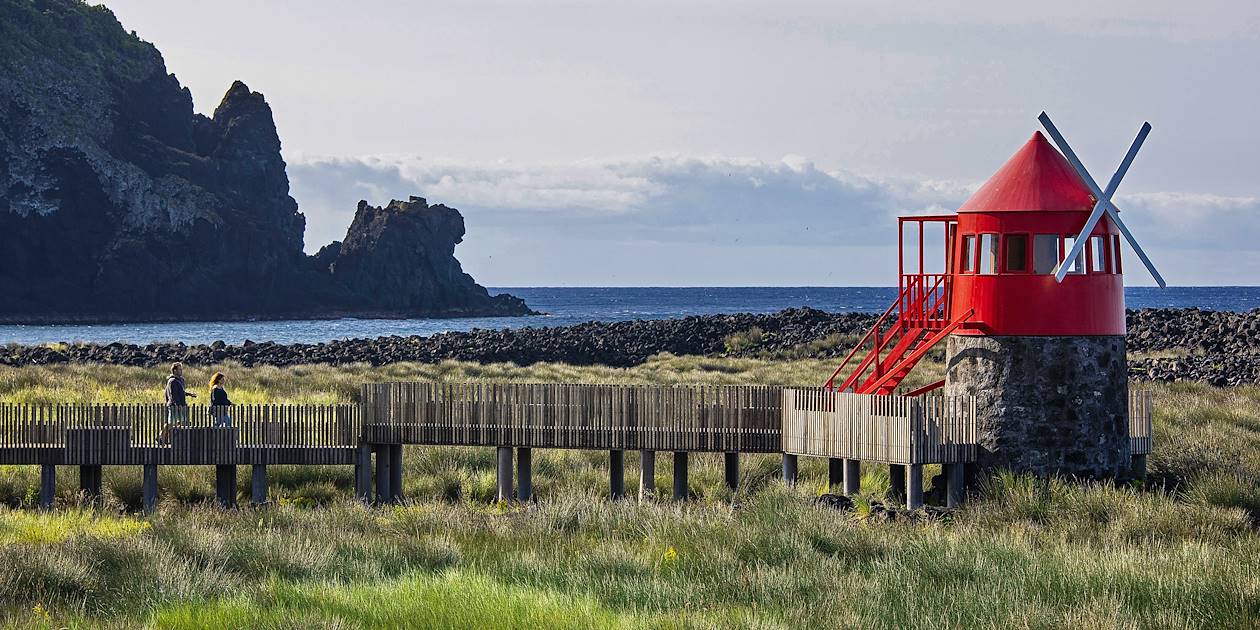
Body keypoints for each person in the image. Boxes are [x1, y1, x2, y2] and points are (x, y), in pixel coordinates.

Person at [158, 362, 196, 445]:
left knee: (182, 422)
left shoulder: (180, 380)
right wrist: (177, 405)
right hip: (174, 406)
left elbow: (181, 392)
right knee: (172, 423)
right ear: (174, 370)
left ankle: (169, 437)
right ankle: (161, 436)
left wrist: (189, 394)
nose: (181, 371)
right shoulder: (172, 381)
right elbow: (173, 395)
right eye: (179, 369)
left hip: (180, 405)